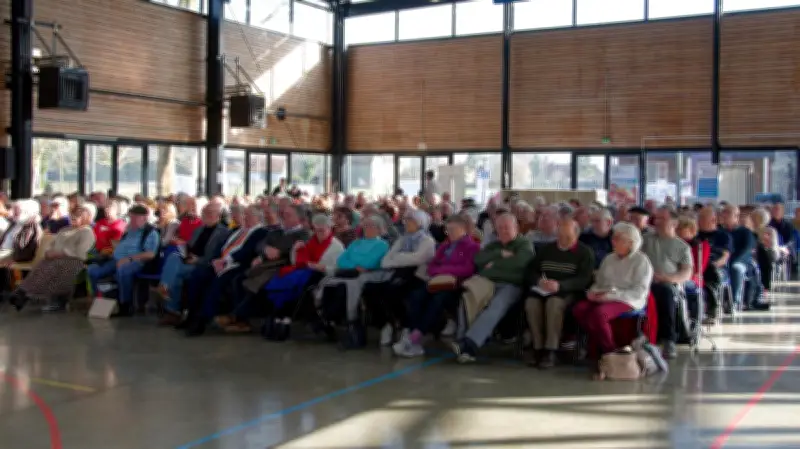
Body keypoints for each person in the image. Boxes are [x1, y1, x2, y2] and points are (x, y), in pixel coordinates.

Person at [393, 214, 480, 357]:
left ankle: (415, 338)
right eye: (448, 230)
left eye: (453, 230)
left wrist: (444, 269)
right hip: (437, 282)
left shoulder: (473, 246)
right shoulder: (445, 246)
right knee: (416, 296)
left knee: (438, 300)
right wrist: (443, 270)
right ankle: (413, 335)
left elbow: (468, 269)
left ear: (463, 229)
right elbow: (432, 267)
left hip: (457, 285)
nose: (449, 233)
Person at [452, 213, 534, 363]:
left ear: (516, 228)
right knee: (467, 296)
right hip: (488, 283)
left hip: (512, 284)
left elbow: (519, 263)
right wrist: (500, 254)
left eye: (507, 228)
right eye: (500, 228)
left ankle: (470, 345)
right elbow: (478, 260)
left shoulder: (524, 244)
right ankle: (461, 338)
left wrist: (493, 264)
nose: (503, 231)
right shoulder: (494, 245)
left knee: (496, 306)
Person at [573, 222, 653, 365]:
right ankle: (597, 345)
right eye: (613, 238)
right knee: (579, 309)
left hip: (628, 299)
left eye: (617, 239)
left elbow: (639, 291)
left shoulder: (641, 261)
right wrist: (593, 293)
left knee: (599, 314)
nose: (613, 242)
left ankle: (609, 351)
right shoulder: (609, 258)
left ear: (630, 243)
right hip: (604, 296)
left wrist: (611, 296)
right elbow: (599, 282)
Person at [183, 205, 269, 336]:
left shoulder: (261, 232)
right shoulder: (237, 230)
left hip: (238, 264)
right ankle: (191, 314)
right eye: (245, 215)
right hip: (221, 262)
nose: (245, 217)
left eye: (249, 215)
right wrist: (216, 259)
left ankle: (203, 319)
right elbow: (222, 246)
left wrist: (226, 260)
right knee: (198, 275)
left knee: (218, 282)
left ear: (257, 217)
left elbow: (248, 251)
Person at [524, 217, 594, 369]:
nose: (562, 240)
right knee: (531, 303)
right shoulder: (547, 249)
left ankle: (551, 349)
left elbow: (584, 279)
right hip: (543, 288)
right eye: (560, 236)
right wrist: (539, 281)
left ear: (576, 236)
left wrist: (560, 285)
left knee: (554, 304)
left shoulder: (584, 252)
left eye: (567, 237)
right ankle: (537, 346)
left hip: (568, 291)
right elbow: (531, 270)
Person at [314, 215, 390, 348]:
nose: (367, 228)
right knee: (329, 284)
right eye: (365, 225)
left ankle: (339, 320)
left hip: (369, 277)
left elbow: (369, 263)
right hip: (350, 273)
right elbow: (341, 260)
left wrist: (353, 264)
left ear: (379, 229)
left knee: (345, 288)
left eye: (371, 226)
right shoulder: (356, 243)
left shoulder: (382, 245)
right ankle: (327, 318)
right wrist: (354, 266)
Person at [9, 204, 96, 312]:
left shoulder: (87, 232)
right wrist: (49, 252)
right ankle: (23, 292)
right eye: (72, 216)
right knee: (41, 265)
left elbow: (81, 251)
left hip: (74, 259)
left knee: (54, 267)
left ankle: (30, 295)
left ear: (84, 218)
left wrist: (60, 253)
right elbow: (53, 244)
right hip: (55, 257)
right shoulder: (64, 230)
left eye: (76, 217)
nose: (72, 219)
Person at [155, 203, 229, 326]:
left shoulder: (223, 232)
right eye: (205, 212)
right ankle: (166, 290)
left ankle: (169, 301)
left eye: (211, 213)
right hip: (188, 260)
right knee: (173, 257)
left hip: (204, 265)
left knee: (176, 275)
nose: (207, 215)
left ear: (218, 215)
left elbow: (218, 256)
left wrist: (198, 260)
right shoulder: (198, 230)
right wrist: (184, 248)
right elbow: (190, 246)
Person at [374, 209, 437, 346]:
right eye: (406, 220)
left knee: (407, 295)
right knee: (379, 291)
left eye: (410, 220)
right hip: (400, 274)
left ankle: (407, 327)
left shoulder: (427, 240)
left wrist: (398, 257)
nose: (406, 223)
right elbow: (385, 261)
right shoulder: (402, 239)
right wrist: (404, 258)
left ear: (420, 223)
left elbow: (418, 259)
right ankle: (392, 323)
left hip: (420, 277)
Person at [86, 204, 160, 315]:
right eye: (131, 218)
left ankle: (125, 304)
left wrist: (129, 259)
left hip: (136, 261)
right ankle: (99, 303)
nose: (132, 220)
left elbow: (150, 254)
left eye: (134, 218)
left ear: (144, 218)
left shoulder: (150, 233)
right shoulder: (129, 231)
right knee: (93, 270)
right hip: (116, 259)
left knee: (123, 270)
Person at [641, 206, 693, 359]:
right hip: (643, 281)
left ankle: (668, 339)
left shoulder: (682, 247)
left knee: (665, 292)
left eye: (662, 219)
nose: (657, 222)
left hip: (667, 284)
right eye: (656, 218)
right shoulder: (645, 240)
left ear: (674, 223)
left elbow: (686, 272)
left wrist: (667, 278)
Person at [697, 206, 731, 324]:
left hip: (717, 267)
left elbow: (725, 256)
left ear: (713, 220)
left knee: (712, 272)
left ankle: (713, 309)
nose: (699, 220)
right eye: (699, 217)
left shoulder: (723, 236)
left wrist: (714, 264)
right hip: (698, 266)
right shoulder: (696, 235)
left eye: (702, 218)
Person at [721, 205, 756, 314]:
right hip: (722, 262)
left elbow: (746, 250)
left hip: (740, 262)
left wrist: (731, 260)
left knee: (735, 268)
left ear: (736, 216)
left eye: (728, 213)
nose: (724, 216)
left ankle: (734, 302)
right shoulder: (720, 231)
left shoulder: (745, 232)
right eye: (724, 213)